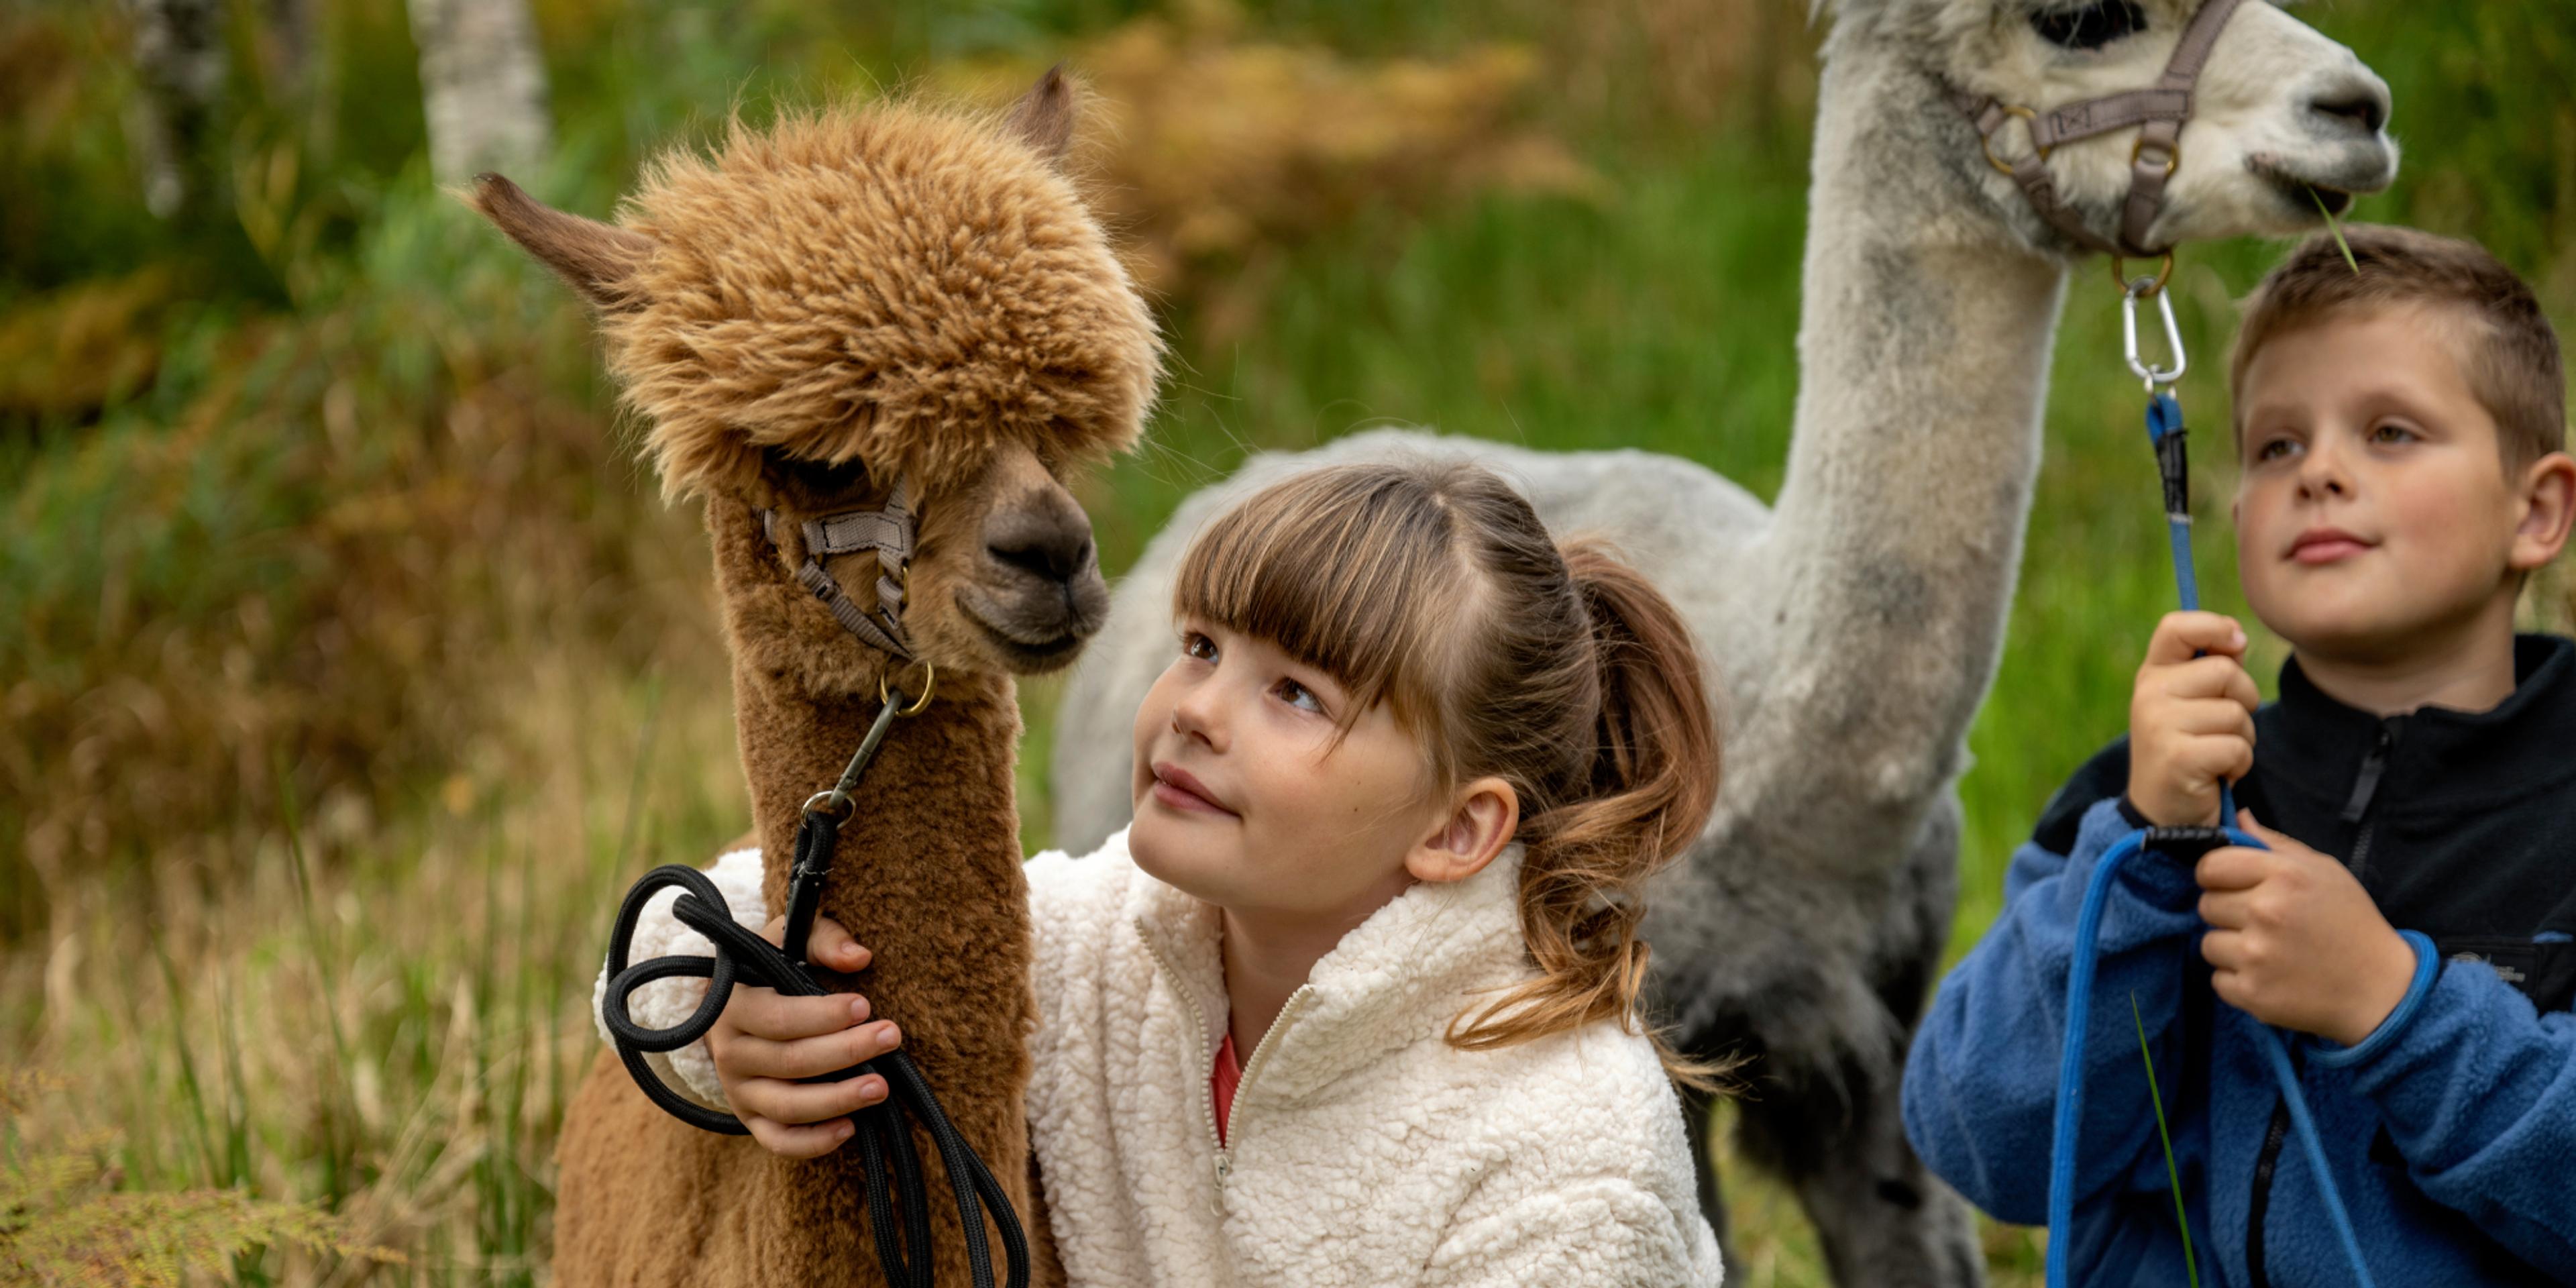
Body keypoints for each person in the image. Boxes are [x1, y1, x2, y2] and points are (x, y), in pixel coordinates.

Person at [604, 457, 1729, 1284]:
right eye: (1201, 648)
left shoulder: (1569, 1160)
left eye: (1296, 694)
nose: (1195, 712)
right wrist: (729, 1008)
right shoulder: (1119, 944)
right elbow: (722, 929)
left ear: (1455, 831)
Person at [1902, 224, 2576, 1285]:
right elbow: (1982, 1140)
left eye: (2391, 432)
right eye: (2276, 446)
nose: (2321, 473)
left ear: (2536, 510)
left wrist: (2395, 1007)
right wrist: (2144, 849)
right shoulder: (2148, 797)